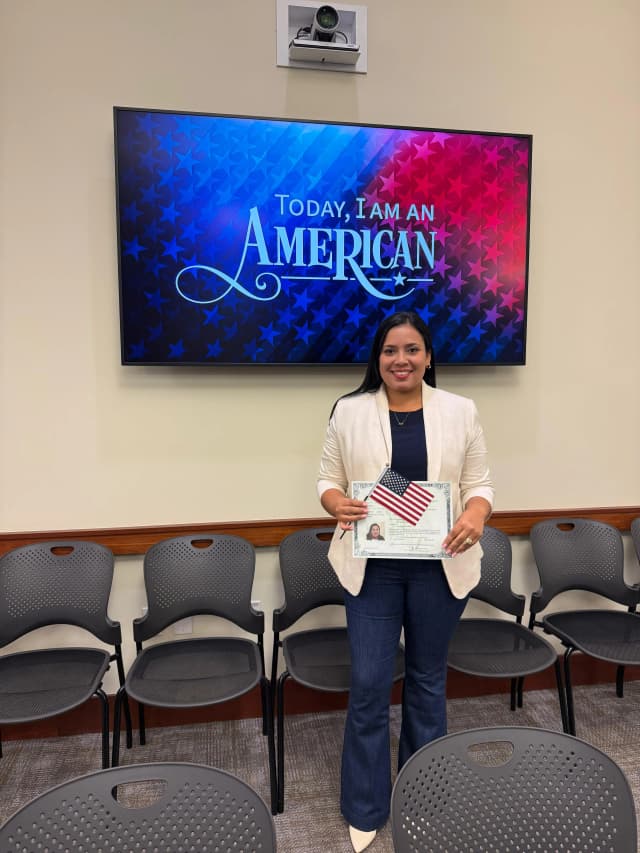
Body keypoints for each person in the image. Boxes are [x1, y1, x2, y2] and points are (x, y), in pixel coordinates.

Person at [317, 311, 494, 852]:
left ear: (428, 356)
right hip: (373, 568)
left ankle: (424, 797)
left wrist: (476, 514)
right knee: (370, 684)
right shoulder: (349, 411)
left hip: (439, 566)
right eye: (391, 350)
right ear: (378, 358)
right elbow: (327, 479)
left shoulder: (460, 410)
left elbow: (479, 484)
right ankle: (365, 806)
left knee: (426, 682)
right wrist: (336, 503)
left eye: (412, 349)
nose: (401, 360)